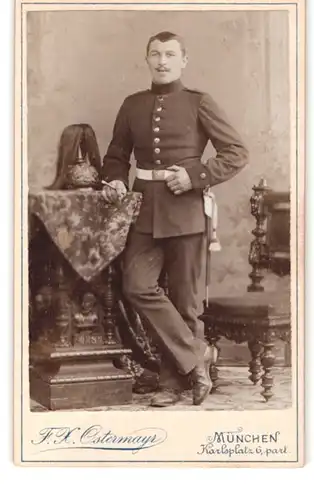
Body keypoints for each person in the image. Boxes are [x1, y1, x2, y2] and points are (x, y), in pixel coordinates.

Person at [101, 31, 249, 407]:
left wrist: (196, 175)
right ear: (147, 60)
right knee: (136, 286)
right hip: (144, 213)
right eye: (155, 54)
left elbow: (236, 152)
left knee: (186, 303)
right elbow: (117, 153)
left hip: (187, 213)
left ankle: (173, 382)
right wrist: (116, 177)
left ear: (184, 60)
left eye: (170, 54)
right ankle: (196, 361)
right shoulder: (132, 104)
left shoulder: (199, 102)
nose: (162, 61)